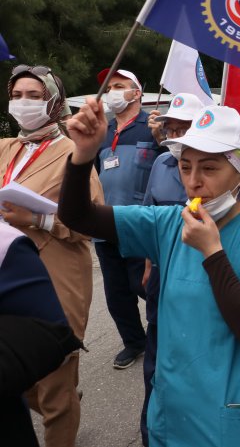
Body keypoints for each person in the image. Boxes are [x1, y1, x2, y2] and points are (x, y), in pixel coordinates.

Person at [59, 102, 240, 446]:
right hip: (172, 417)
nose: (194, 182)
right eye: (185, 167)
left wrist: (212, 252)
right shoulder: (167, 224)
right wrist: (83, 155)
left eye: (210, 168)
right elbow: (78, 216)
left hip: (234, 422)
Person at [1, 65, 103, 447]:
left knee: (55, 383)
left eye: (34, 96)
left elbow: (91, 222)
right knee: (17, 375)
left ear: (54, 101)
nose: (23, 103)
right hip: (6, 277)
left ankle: (62, 410)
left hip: (54, 278)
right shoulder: (5, 147)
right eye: (17, 95)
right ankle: (57, 399)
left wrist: (38, 219)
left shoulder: (73, 154)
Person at [138, 92, 205, 446]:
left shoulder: (216, 167)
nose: (174, 133)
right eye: (170, 127)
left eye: (183, 127)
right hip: (163, 273)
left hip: (205, 270)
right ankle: (153, 426)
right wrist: (149, 263)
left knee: (196, 349)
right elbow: (150, 218)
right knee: (159, 346)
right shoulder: (161, 165)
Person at [91, 68, 159, 370]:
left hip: (141, 223)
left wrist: (163, 139)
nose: (113, 92)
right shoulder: (101, 131)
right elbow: (92, 175)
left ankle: (169, 332)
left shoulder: (153, 127)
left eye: (120, 86)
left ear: (137, 92)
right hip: (105, 223)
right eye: (109, 87)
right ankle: (134, 342)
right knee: (116, 292)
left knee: (146, 284)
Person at [0, 222, 83, 447]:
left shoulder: (6, 244)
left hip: (55, 269)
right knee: (39, 390)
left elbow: (83, 226)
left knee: (57, 390)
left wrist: (36, 217)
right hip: (25, 271)